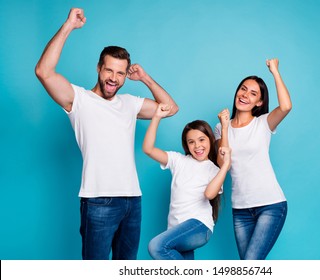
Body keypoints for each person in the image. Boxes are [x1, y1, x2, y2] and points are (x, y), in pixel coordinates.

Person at [35, 8, 179, 260]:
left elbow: (170, 108)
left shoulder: (129, 102)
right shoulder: (78, 99)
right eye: (109, 70)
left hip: (132, 201)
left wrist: (145, 78)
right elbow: (43, 72)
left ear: (125, 76)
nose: (114, 78)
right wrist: (69, 25)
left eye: (120, 73)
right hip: (98, 201)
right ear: (99, 68)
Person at [215, 58, 292, 260]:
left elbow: (285, 107)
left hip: (270, 205)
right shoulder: (220, 128)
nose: (245, 95)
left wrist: (274, 71)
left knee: (250, 266)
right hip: (240, 210)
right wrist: (224, 128)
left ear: (259, 102)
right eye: (243, 89)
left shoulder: (263, 123)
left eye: (253, 93)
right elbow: (223, 164)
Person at [142, 103, 231, 260]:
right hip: (176, 230)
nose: (197, 146)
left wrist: (225, 167)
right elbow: (148, 149)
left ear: (210, 140)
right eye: (191, 142)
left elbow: (210, 194)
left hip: (199, 227)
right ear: (186, 145)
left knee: (156, 246)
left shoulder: (213, 169)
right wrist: (156, 117)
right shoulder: (178, 160)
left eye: (202, 140)